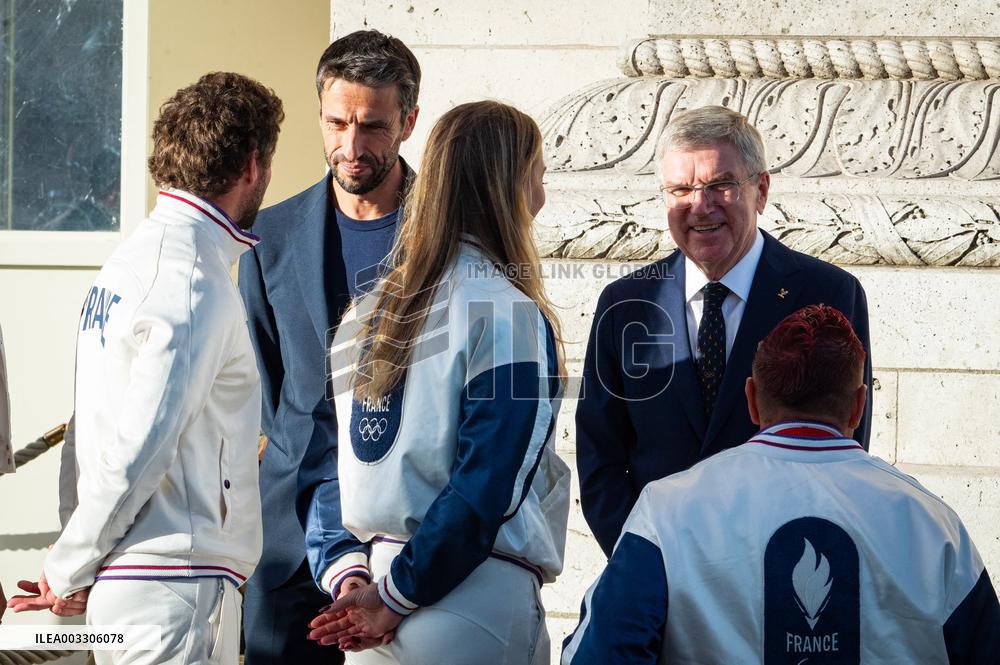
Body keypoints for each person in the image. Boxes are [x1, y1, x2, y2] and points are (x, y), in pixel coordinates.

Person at [7, 72, 284, 664]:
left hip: (134, 580)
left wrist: (76, 560)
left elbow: (90, 434)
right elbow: (141, 445)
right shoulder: (192, 279)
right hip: (170, 584)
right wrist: (69, 565)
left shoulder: (127, 264)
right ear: (253, 166)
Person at [563, 304, 1000, 664]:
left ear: (752, 399)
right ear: (858, 406)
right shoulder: (934, 526)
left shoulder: (669, 509)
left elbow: (601, 652)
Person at [305, 101, 571, 665]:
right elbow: (486, 483)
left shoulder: (362, 314)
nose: (542, 197)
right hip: (465, 599)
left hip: (372, 597)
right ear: (513, 186)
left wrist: (353, 580)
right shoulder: (507, 312)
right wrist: (399, 594)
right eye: (539, 175)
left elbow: (333, 464)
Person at [575, 105, 873, 556]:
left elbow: (843, 446)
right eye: (681, 190)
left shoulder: (829, 293)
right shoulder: (624, 305)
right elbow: (600, 457)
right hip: (661, 579)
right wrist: (644, 565)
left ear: (761, 190)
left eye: (720, 185)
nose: (701, 206)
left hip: (779, 576)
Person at [237, 30, 420, 664]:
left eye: (372, 126)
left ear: (409, 121)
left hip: (409, 547)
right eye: (337, 122)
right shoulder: (269, 236)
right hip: (286, 546)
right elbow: (269, 388)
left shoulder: (449, 235)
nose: (351, 145)